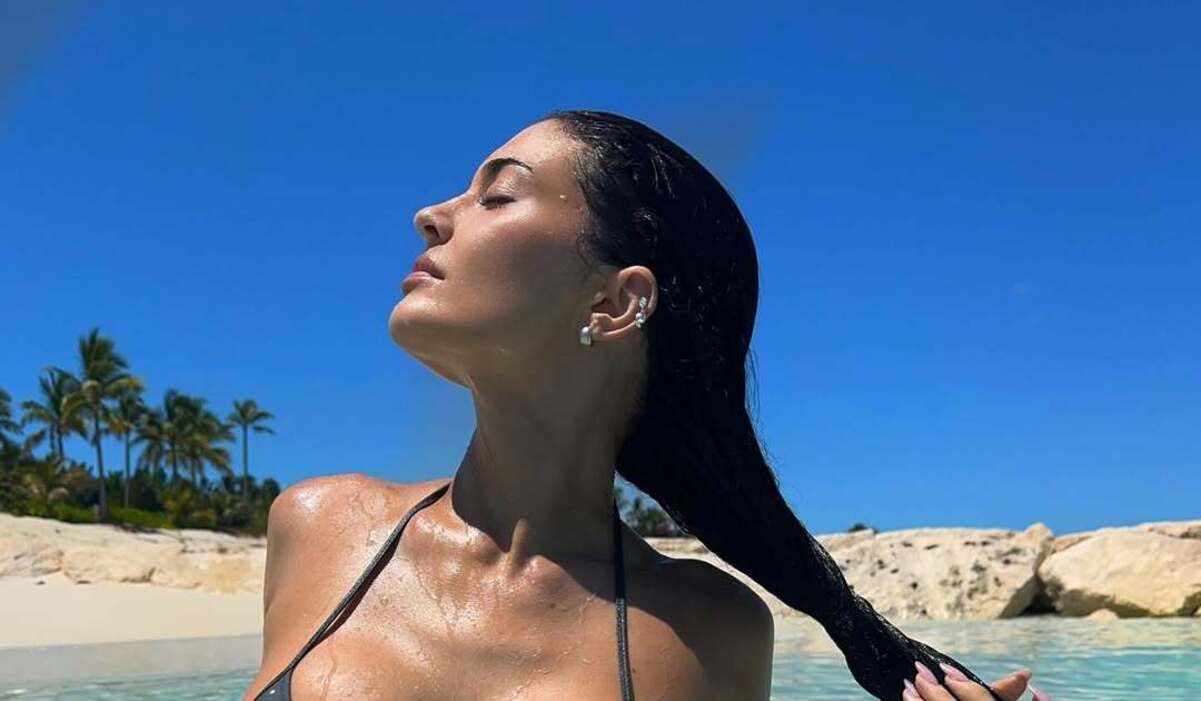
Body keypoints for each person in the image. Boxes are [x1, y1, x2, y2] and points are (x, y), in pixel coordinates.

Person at [243, 110, 1049, 701]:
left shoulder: (704, 630)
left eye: (499, 196)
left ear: (613, 303)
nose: (430, 215)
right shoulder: (321, 526)